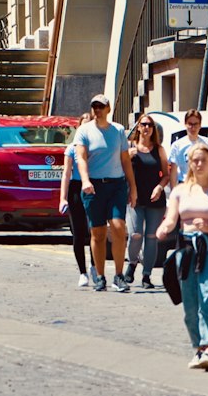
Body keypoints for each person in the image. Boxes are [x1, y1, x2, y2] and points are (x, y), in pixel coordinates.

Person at [157, 142, 208, 372]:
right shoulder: (180, 191)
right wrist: (163, 228)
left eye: (203, 159)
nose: (199, 164)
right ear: (189, 164)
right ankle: (198, 347)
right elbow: (172, 219)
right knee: (190, 303)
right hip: (186, 249)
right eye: (195, 160)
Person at [75, 94, 136, 292]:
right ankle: (100, 276)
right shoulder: (84, 131)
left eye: (101, 106)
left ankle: (118, 276)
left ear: (108, 109)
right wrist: (85, 180)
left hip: (116, 185)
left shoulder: (118, 130)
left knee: (118, 226)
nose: (97, 110)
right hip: (94, 186)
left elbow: (126, 160)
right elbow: (81, 158)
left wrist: (132, 187)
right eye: (95, 107)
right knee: (98, 232)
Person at [126, 113, 169, 286]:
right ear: (138, 127)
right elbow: (122, 170)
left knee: (151, 236)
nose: (146, 128)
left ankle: (146, 275)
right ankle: (131, 264)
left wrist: (159, 187)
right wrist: (128, 156)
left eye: (150, 125)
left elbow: (166, 174)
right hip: (135, 198)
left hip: (155, 199)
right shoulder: (130, 148)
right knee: (135, 234)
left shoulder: (159, 150)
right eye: (143, 124)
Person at [59, 113, 95, 288]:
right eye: (83, 126)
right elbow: (66, 173)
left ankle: (95, 266)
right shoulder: (72, 148)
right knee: (79, 233)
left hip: (95, 186)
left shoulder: (97, 146)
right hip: (76, 188)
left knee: (95, 230)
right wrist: (62, 198)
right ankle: (83, 272)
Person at [168, 110, 208, 189]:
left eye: (196, 124)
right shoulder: (177, 145)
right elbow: (173, 172)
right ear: (185, 124)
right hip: (185, 185)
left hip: (204, 185)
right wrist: (173, 193)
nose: (193, 127)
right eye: (190, 124)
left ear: (200, 125)